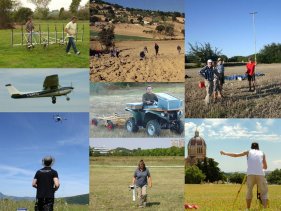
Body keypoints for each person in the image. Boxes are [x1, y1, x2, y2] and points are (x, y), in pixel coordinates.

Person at [220, 142, 268, 209]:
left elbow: (235, 155)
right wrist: (259, 166)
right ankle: (265, 209)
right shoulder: (262, 153)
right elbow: (265, 167)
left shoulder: (248, 152)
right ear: (258, 147)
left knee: (249, 191)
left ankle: (247, 209)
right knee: (264, 193)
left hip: (250, 174)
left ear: (251, 147)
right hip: (260, 174)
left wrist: (225, 153)